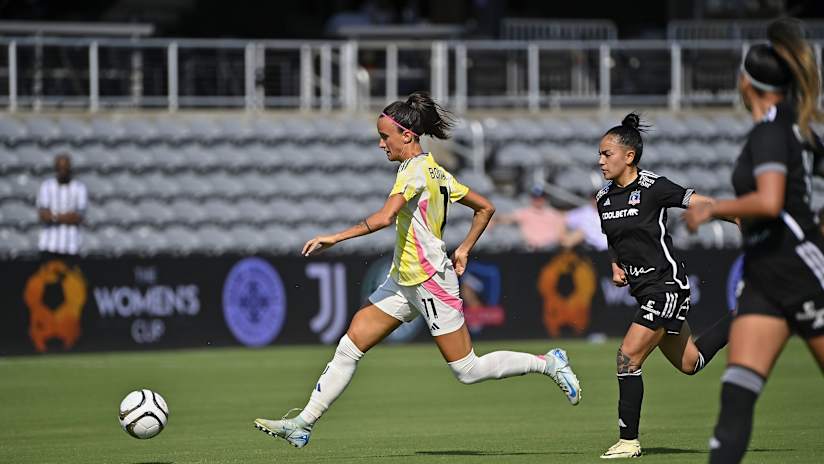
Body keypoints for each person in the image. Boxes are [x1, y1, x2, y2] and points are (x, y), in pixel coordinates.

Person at [253, 92, 581, 448]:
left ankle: (548, 362)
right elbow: (485, 207)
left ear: (407, 136)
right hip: (403, 281)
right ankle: (303, 423)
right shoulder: (435, 171)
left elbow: (384, 217)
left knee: (467, 370)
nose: (381, 144)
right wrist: (465, 248)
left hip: (430, 282)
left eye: (385, 137)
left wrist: (333, 237)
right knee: (351, 345)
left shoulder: (413, 173)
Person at [684, 18, 824, 464]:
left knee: (736, 400)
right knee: (736, 397)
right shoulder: (793, 128)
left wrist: (712, 209)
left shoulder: (771, 132)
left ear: (747, 82)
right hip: (765, 275)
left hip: (799, 271)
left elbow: (769, 200)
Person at [596, 113, 732, 459]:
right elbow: (614, 238)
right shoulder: (604, 198)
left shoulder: (653, 186)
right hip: (644, 289)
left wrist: (739, 216)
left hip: (666, 287)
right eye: (599, 154)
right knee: (691, 364)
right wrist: (615, 264)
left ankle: (629, 440)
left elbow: (700, 202)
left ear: (629, 156)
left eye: (606, 154)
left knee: (627, 358)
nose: (600, 161)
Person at [36, 153, 88, 262]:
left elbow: (77, 217)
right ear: (55, 168)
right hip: (49, 245)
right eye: (60, 168)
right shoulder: (46, 186)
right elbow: (44, 215)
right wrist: (66, 216)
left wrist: (54, 216)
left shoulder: (79, 188)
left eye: (65, 168)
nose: (62, 171)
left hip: (72, 246)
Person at [493, 184, 565, 250]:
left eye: (540, 197)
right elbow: (506, 218)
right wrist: (493, 219)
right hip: (530, 248)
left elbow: (561, 232)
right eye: (535, 197)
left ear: (545, 198)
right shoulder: (525, 212)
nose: (538, 200)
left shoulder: (554, 214)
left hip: (550, 249)